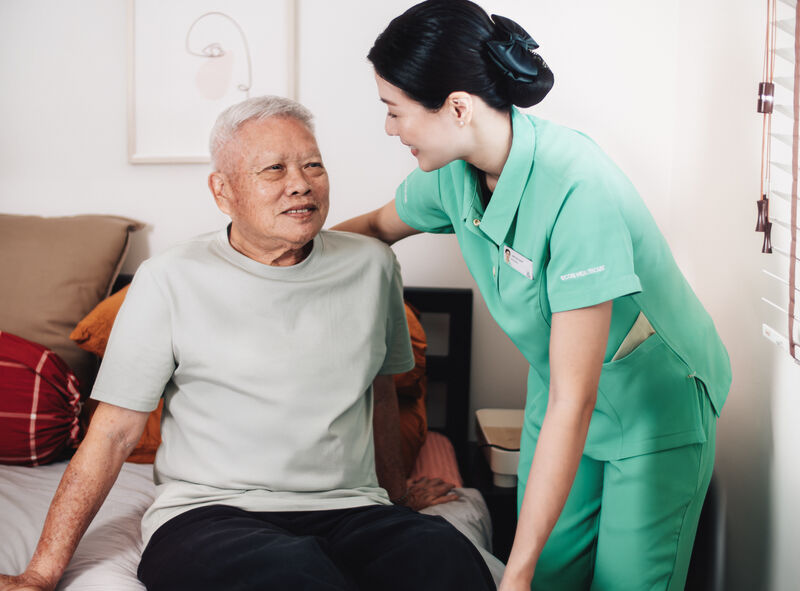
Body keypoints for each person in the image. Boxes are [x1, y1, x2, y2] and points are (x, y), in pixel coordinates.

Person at [0, 95, 495, 591]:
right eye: (274, 169)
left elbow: (381, 394)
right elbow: (111, 435)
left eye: (313, 165)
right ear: (223, 192)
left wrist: (396, 496)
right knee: (290, 580)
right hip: (211, 516)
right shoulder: (168, 279)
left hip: (351, 509)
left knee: (446, 562)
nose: (300, 183)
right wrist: (41, 572)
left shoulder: (372, 266)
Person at [333, 1, 732, 590]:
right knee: (550, 575)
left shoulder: (576, 189)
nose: (390, 129)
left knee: (616, 583)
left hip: (651, 405)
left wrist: (512, 575)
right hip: (562, 389)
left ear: (458, 107)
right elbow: (373, 229)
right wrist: (270, 251)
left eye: (395, 111)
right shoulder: (451, 173)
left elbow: (579, 395)